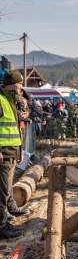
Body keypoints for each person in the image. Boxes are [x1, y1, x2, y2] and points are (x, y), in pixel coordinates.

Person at [0, 70, 27, 239]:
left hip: (11, 152)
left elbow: (15, 128)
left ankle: (6, 218)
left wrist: (19, 150)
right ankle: (2, 226)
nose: (21, 87)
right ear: (12, 84)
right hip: (3, 153)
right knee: (1, 192)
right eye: (20, 84)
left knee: (6, 188)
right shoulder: (2, 100)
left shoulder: (10, 100)